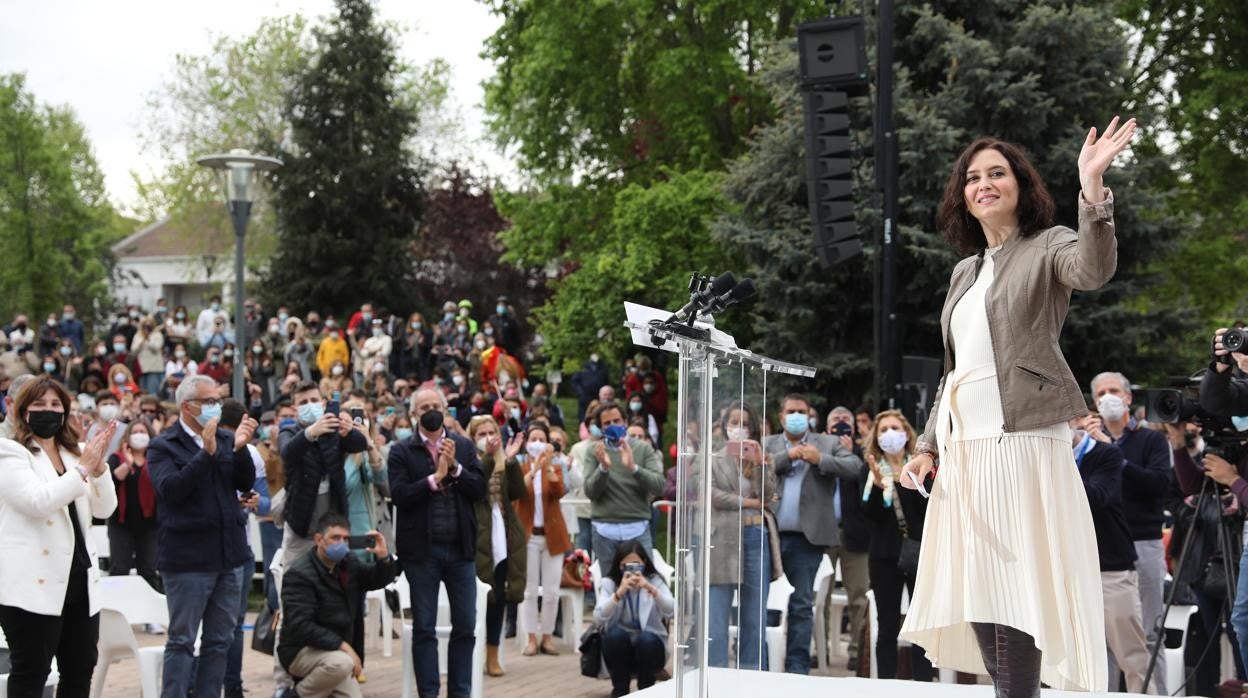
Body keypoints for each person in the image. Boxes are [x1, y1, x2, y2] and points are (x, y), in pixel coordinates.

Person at [899, 118, 1138, 694]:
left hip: (1024, 440)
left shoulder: (1049, 243)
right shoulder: (964, 271)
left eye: (997, 174)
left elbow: (1094, 268)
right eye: (972, 178)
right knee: (976, 583)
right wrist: (928, 444)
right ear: (962, 196)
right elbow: (958, 370)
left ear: (1019, 185)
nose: (983, 184)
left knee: (1018, 584)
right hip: (966, 450)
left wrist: (1093, 189)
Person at [0, 376, 117, 697]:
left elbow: (105, 509)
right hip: (32, 586)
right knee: (31, 673)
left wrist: (99, 468)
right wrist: (82, 471)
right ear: (22, 410)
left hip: (79, 580)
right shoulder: (9, 451)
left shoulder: (76, 452)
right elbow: (37, 502)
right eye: (38, 404)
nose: (47, 411)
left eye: (55, 405)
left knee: (79, 672)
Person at [146, 374, 259, 698]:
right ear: (187, 406)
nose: (215, 408)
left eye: (217, 401)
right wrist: (204, 455)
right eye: (208, 402)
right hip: (188, 561)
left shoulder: (226, 439)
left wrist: (238, 450)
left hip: (229, 556)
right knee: (182, 641)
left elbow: (243, 481)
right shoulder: (163, 445)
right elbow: (171, 490)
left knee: (219, 641)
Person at [388, 387, 487, 698]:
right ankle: (428, 693)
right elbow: (400, 495)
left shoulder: (464, 446)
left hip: (461, 549)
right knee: (425, 628)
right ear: (414, 413)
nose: (430, 410)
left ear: (445, 411)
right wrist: (434, 479)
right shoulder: (402, 451)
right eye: (424, 406)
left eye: (435, 405)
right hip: (422, 552)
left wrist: (455, 469)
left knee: (465, 626)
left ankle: (460, 692)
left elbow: (479, 489)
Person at [765, 393, 865, 674]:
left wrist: (820, 458)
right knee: (767, 604)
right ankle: (761, 664)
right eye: (791, 411)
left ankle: (797, 669)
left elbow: (854, 467)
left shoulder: (827, 443)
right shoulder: (768, 444)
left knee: (800, 605)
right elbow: (752, 469)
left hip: (806, 540)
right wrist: (789, 456)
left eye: (802, 411)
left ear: (809, 416)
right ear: (781, 416)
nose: (797, 416)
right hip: (768, 536)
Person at [1088, 370, 1173, 683]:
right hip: (1107, 551)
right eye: (1100, 393)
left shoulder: (1151, 439)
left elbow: (1160, 484)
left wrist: (1114, 456)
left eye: (1113, 390)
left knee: (1149, 633)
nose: (1107, 397)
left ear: (1128, 397)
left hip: (1144, 543)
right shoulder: (1089, 445)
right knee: (1104, 640)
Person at [1070, 415, 1153, 693]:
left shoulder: (1105, 454)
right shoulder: (1042, 461)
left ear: (1073, 420)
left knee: (1131, 654)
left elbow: (1097, 496)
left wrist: (1055, 471)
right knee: (1077, 657)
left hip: (1112, 569)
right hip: (1070, 571)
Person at [278, 513, 396, 698]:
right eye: (335, 538)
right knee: (341, 664)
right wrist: (344, 647)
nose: (341, 543)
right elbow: (300, 626)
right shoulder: (299, 574)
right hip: (300, 650)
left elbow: (374, 580)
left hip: (335, 652)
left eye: (346, 538)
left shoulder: (348, 563)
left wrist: (384, 558)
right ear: (319, 539)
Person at [706, 404, 781, 670]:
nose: (738, 427)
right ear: (725, 425)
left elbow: (771, 497)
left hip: (755, 536)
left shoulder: (764, 457)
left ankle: (752, 678)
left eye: (745, 423)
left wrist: (759, 462)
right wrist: (747, 502)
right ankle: (714, 677)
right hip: (721, 540)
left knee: (754, 617)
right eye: (733, 421)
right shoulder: (712, 458)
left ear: (753, 428)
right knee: (716, 617)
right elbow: (711, 495)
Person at [861, 410, 933, 681]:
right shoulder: (869, 468)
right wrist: (880, 487)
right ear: (876, 437)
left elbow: (928, 508)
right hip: (883, 557)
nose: (890, 434)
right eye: (883, 429)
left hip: (918, 553)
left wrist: (910, 482)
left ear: (905, 433)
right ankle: (887, 685)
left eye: (895, 427)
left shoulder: (919, 466)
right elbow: (869, 515)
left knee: (921, 625)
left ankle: (924, 684)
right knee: (887, 625)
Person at [466, 414, 526, 677]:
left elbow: (517, 493)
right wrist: (489, 458)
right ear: (472, 438)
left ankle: (492, 654)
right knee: (475, 599)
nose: (488, 438)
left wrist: (511, 460)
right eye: (481, 434)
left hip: (502, 536)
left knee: (498, 597)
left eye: (492, 433)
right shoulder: (466, 461)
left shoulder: (503, 461)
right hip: (475, 536)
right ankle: (470, 656)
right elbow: (475, 490)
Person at [580, 401, 666, 571]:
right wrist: (603, 468)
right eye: (607, 423)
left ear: (625, 422)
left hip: (637, 528)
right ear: (600, 428)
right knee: (610, 587)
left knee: (641, 584)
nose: (613, 426)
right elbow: (590, 491)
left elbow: (659, 486)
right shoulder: (594, 451)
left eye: (617, 421)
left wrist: (634, 468)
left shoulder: (643, 449)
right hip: (604, 530)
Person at [516, 423, 571, 657]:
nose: (537, 442)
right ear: (527, 442)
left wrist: (547, 466)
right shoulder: (519, 466)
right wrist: (534, 469)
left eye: (541, 438)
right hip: (528, 536)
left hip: (552, 536)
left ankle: (547, 637)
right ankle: (530, 638)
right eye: (533, 438)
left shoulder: (556, 466)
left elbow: (560, 492)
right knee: (528, 591)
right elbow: (517, 490)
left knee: (551, 591)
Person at [593, 542, 675, 697]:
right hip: (621, 650)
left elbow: (672, 610)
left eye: (636, 565)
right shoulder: (610, 583)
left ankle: (646, 690)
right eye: (626, 565)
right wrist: (618, 594)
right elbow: (598, 618)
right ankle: (620, 690)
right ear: (619, 566)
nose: (632, 570)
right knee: (615, 636)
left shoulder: (654, 580)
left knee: (646, 640)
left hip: (650, 650)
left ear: (644, 563)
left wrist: (651, 589)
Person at [824, 406, 871, 669]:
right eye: (835, 420)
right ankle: (821, 649)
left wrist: (852, 452)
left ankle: (856, 652)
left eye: (845, 420)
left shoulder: (865, 453)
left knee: (858, 596)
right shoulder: (819, 449)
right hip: (824, 534)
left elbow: (865, 481)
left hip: (856, 534)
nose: (840, 424)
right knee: (822, 597)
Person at [106, 420, 162, 593]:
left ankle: (152, 616)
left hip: (149, 524)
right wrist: (122, 470)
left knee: (149, 570)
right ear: (128, 436)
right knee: (119, 568)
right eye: (135, 431)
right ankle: (116, 609)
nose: (139, 435)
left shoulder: (157, 458)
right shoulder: (116, 458)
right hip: (121, 524)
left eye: (142, 431)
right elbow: (107, 487)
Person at [132, 316, 166, 396]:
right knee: (142, 392)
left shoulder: (157, 335)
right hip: (141, 368)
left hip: (154, 368)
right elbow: (133, 349)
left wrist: (148, 339)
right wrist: (142, 339)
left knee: (152, 392)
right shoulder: (138, 335)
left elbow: (156, 348)